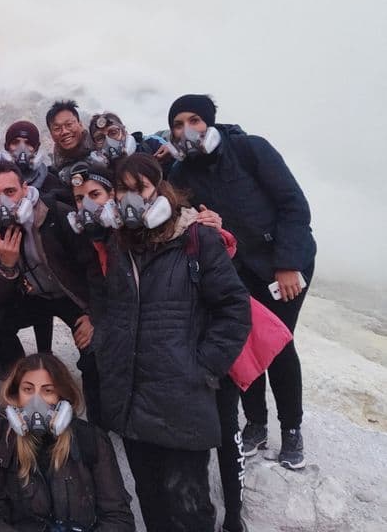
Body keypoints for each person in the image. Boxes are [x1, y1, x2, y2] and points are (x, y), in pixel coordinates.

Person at [92, 153, 250, 532]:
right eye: (121, 190)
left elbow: (234, 309)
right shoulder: (119, 244)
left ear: (159, 191)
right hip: (132, 398)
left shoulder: (197, 238)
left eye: (139, 188)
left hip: (183, 400)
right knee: (152, 504)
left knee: (189, 509)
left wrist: (204, 366)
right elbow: (111, 308)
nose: (130, 198)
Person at [165, 94, 317, 471]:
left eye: (194, 120)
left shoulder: (250, 150)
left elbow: (293, 205)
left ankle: (292, 427)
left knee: (276, 342)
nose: (187, 131)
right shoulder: (182, 174)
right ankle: (257, 424)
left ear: (211, 123)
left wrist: (287, 264)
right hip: (234, 268)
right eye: (178, 125)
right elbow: (172, 212)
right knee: (242, 343)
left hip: (282, 262)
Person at [0, 161, 104, 424]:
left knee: (94, 347)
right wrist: (5, 267)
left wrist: (93, 315)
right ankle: (23, 386)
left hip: (69, 296)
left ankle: (98, 422)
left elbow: (94, 269)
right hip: (30, 298)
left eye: (10, 191)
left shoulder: (57, 215)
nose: (2, 202)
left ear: (25, 189)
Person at [0, 353, 135, 531]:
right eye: (28, 390)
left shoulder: (91, 439)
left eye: (47, 390)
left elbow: (118, 516)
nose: (37, 401)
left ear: (62, 396)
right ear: (15, 395)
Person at [0, 120, 62, 193]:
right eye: (15, 142)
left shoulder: (51, 182)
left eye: (28, 143)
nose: (22, 148)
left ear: (37, 148)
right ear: (6, 147)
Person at [46, 100, 94, 185]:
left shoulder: (103, 154)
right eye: (57, 129)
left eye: (69, 124)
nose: (64, 132)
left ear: (80, 124)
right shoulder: (52, 175)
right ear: (51, 134)